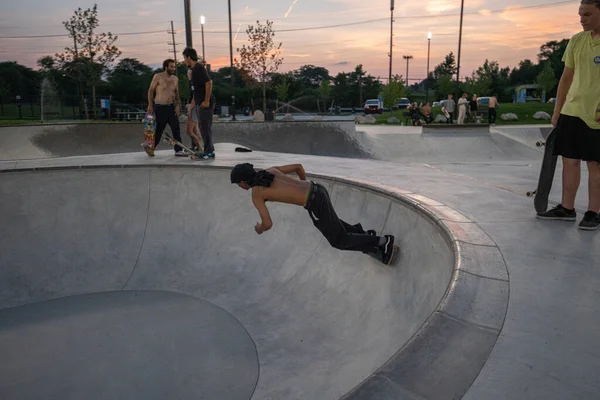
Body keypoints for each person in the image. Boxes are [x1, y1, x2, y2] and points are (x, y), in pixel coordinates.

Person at [230, 163, 397, 264]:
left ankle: (383, 242)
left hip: (313, 201)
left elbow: (268, 223)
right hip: (318, 188)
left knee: (338, 240)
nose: (240, 187)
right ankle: (363, 235)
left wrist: (260, 228)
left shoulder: (257, 193)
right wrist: (302, 185)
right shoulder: (271, 170)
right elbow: (298, 167)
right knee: (331, 223)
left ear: (244, 182)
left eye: (238, 184)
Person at [536, 0, 600, 230]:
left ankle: (593, 212)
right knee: (569, 161)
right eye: (580, 14)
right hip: (571, 111)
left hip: (596, 114)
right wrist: (557, 110)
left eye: (588, 14)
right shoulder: (576, 41)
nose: (582, 19)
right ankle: (567, 208)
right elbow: (566, 78)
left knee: (595, 164)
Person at [147, 59, 186, 156]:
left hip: (171, 107)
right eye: (171, 66)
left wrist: (178, 106)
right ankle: (151, 148)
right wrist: (150, 105)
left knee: (176, 129)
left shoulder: (175, 79)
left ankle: (178, 150)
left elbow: (177, 94)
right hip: (160, 107)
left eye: (174, 66)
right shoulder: (158, 76)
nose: (173, 68)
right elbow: (151, 91)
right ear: (166, 67)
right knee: (159, 129)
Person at [182, 47, 215, 160]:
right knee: (202, 127)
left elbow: (209, 83)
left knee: (205, 127)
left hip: (205, 103)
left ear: (188, 57)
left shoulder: (198, 68)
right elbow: (196, 91)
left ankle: (209, 152)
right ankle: (208, 150)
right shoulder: (194, 70)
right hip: (200, 103)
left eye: (184, 58)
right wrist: (192, 106)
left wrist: (206, 100)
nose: (184, 61)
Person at [185, 68, 203, 153]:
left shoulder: (194, 83)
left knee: (189, 131)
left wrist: (190, 108)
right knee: (196, 130)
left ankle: (200, 147)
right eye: (188, 73)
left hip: (193, 107)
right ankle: (200, 147)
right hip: (195, 107)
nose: (188, 75)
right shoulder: (194, 83)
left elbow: (195, 97)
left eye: (190, 73)